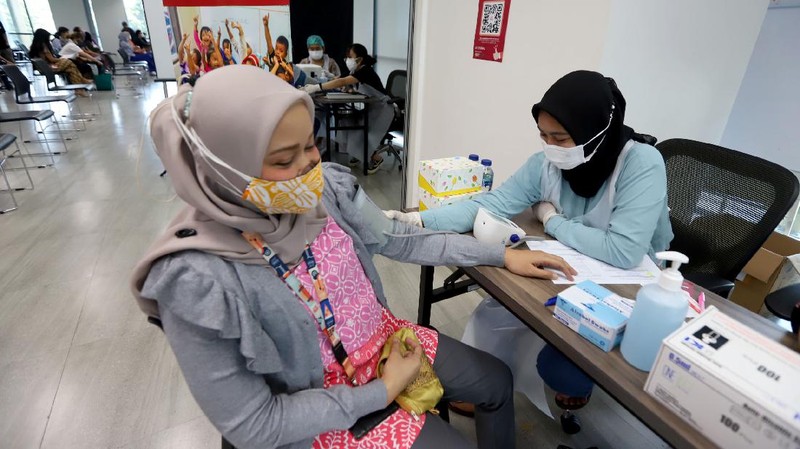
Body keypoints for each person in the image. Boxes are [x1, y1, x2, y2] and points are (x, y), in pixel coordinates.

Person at [132, 65, 576, 449]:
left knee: (496, 379)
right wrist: (383, 391)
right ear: (225, 168)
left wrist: (499, 255)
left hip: (381, 344)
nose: (309, 166)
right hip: (318, 406)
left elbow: (400, 238)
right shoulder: (195, 280)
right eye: (285, 159)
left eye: (311, 144)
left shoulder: (324, 190)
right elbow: (255, 424)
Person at [385, 70, 673, 429]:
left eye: (560, 138)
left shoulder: (641, 163)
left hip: (630, 284)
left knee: (566, 364)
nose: (550, 146)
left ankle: (572, 382)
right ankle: (486, 388)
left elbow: (623, 251)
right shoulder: (546, 164)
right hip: (572, 264)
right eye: (543, 135)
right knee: (495, 314)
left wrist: (551, 220)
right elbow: (490, 205)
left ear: (595, 130)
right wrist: (417, 220)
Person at [302, 43, 389, 173]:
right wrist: (331, 77)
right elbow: (342, 79)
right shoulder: (357, 70)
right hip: (372, 107)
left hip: (383, 109)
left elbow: (341, 82)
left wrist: (317, 87)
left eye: (350, 56)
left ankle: (376, 158)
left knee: (360, 128)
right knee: (348, 122)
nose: (348, 59)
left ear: (359, 59)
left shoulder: (365, 71)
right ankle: (359, 154)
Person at [28, 28, 92, 92]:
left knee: (70, 68)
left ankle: (79, 89)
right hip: (49, 68)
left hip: (43, 68)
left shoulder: (34, 46)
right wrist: (62, 59)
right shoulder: (44, 47)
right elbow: (52, 60)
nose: (49, 39)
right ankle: (80, 84)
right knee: (69, 62)